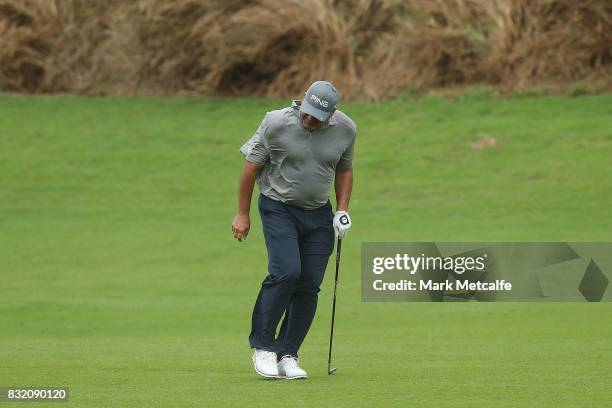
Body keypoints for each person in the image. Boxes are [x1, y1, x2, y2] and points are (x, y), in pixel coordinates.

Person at [231, 80, 356, 379]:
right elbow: (251, 167)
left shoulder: (346, 129)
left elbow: (345, 169)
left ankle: (288, 354)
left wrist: (342, 210)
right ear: (303, 100)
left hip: (319, 215)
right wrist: (242, 214)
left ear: (332, 114)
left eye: (317, 116)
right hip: (279, 208)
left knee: (309, 284)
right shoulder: (275, 122)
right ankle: (263, 347)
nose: (309, 119)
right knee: (287, 272)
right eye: (307, 111)